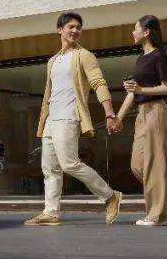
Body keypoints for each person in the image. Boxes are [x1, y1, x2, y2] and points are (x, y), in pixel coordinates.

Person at [24, 12, 123, 226]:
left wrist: (109, 112)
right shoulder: (53, 61)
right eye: (71, 27)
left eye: (78, 27)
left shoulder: (84, 55)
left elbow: (98, 83)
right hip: (51, 119)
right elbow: (49, 93)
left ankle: (110, 196)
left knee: (69, 164)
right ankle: (51, 212)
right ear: (60, 29)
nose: (75, 30)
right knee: (50, 169)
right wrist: (43, 121)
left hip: (69, 117)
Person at [111, 15, 167, 226]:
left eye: (135, 28)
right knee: (138, 166)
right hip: (141, 114)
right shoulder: (141, 59)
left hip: (156, 111)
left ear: (146, 32)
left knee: (154, 165)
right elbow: (132, 93)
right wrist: (118, 118)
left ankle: (157, 216)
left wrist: (141, 89)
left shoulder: (159, 56)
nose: (133, 32)